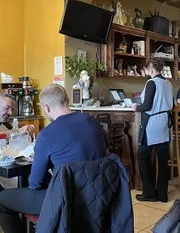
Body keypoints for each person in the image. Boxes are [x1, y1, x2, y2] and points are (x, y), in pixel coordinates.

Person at [0, 84, 108, 233]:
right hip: (101, 194)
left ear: (46, 108)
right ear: (68, 100)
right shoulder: (92, 122)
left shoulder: (47, 135)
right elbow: (105, 149)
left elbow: (35, 184)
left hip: (66, 200)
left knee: (2, 200)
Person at [131, 59, 173, 203]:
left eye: (147, 70)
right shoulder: (168, 83)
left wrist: (136, 107)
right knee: (162, 160)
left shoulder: (151, 83)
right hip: (164, 123)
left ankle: (149, 192)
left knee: (142, 155)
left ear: (151, 69)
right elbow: (171, 104)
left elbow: (147, 106)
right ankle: (162, 194)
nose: (147, 73)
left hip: (152, 124)